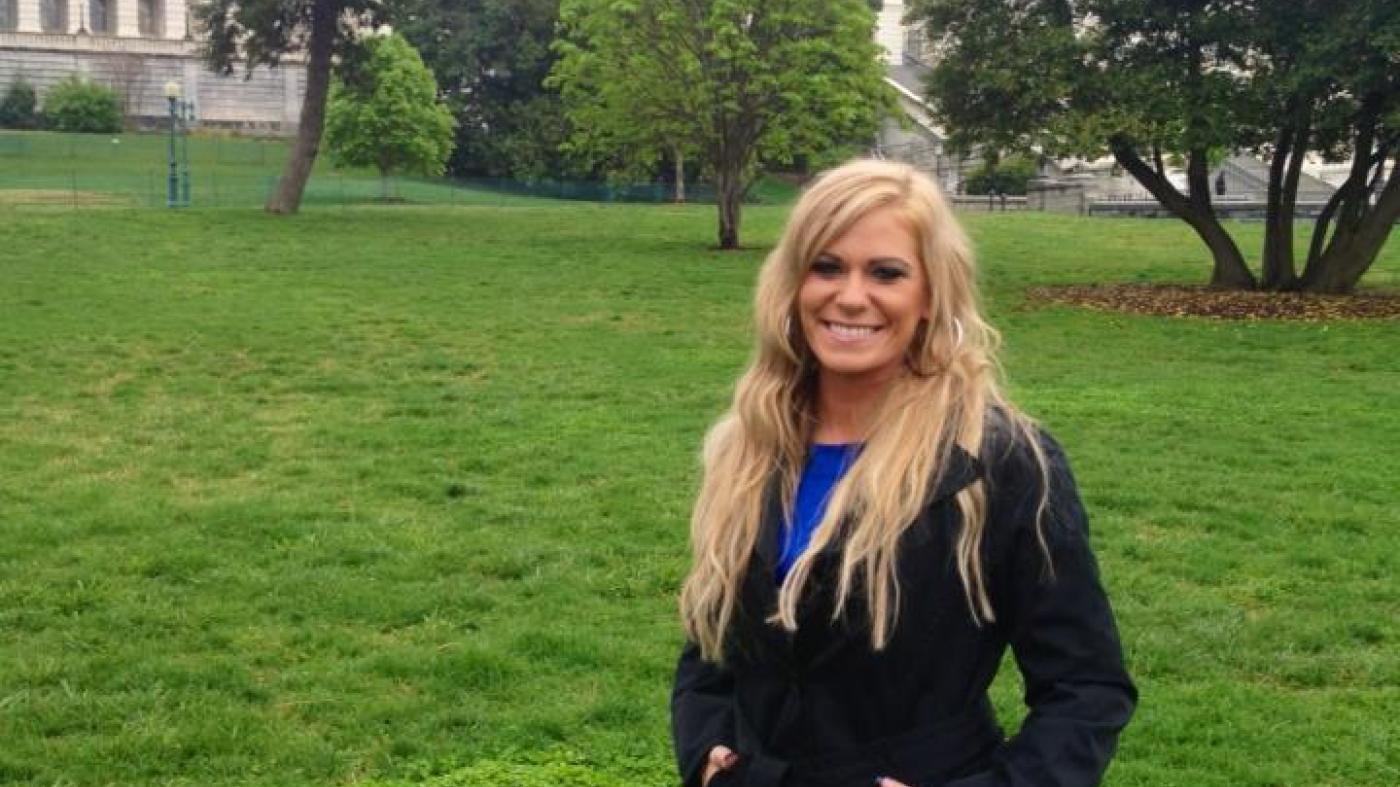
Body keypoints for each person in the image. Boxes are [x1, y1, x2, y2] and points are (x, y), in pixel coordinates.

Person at [671, 159, 1135, 787]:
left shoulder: (997, 462)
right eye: (826, 266)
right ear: (793, 283)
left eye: (886, 273)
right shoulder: (751, 445)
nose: (851, 296)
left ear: (930, 296)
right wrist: (707, 753)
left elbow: (1086, 689)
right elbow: (712, 641)